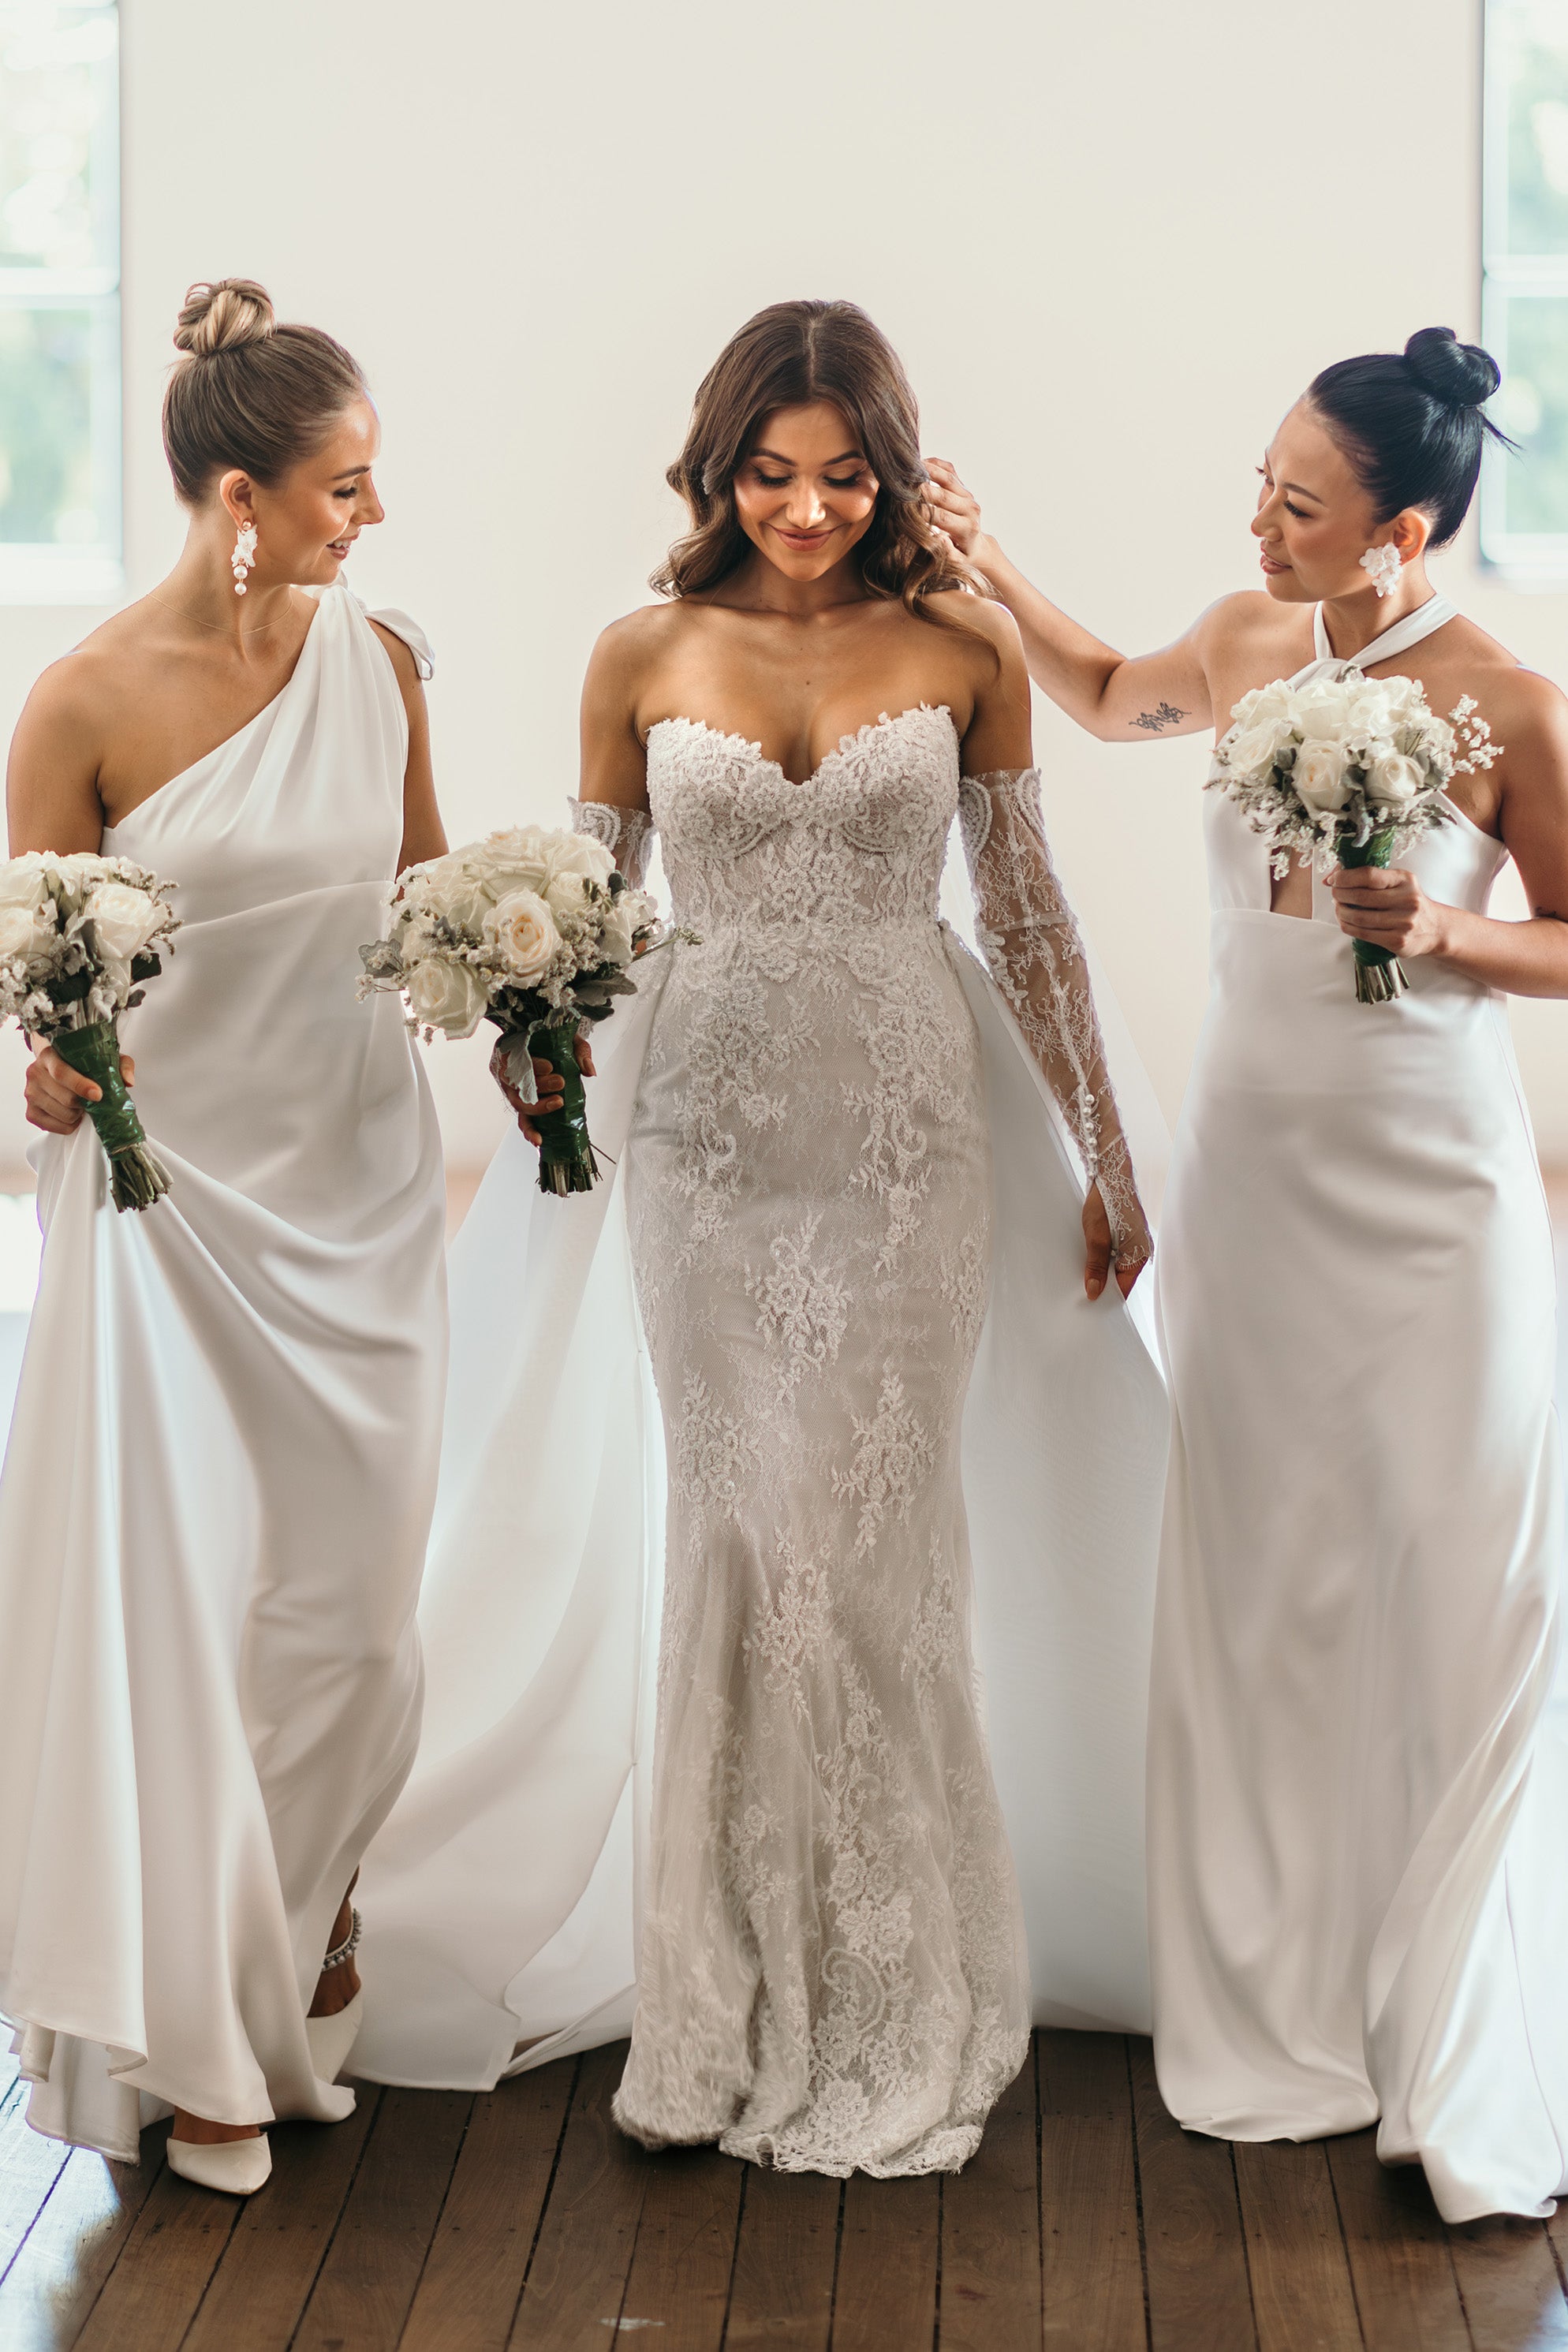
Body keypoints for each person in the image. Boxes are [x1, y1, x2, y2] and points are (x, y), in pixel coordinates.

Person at [356, 300, 1170, 2177]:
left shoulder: (964, 645)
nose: (806, 510)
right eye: (771, 473)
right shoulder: (638, 649)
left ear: (892, 468)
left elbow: (1030, 916)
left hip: (904, 1133)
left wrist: (1111, 1154)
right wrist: (536, 1059)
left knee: (879, 1551)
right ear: (717, 466)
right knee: (732, 1541)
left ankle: (900, 1995)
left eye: (844, 474)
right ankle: (714, 2006)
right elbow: (584, 903)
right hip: (707, 1140)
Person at [924, 326, 1568, 2221]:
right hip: (1255, 1175)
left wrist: (1449, 927)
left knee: (1453, 1556)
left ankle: (1442, 1994)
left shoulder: (1511, 703)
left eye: (1302, 505)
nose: (1264, 525)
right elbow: (1118, 695)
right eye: (1260, 487)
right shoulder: (1239, 634)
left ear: (1412, 527)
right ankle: (1277, 1985)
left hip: (1433, 1186)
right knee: (1268, 1568)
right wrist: (988, 568)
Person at [0, 278, 458, 2195]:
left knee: (347, 1623)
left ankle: (318, 1914)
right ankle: (197, 2043)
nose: (372, 519)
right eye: (346, 487)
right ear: (236, 494)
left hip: (358, 1189)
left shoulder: (387, 660)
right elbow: (30, 966)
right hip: (167, 1201)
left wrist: (526, 1000)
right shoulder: (85, 697)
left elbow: (428, 892)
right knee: (180, 1615)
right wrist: (43, 1060)